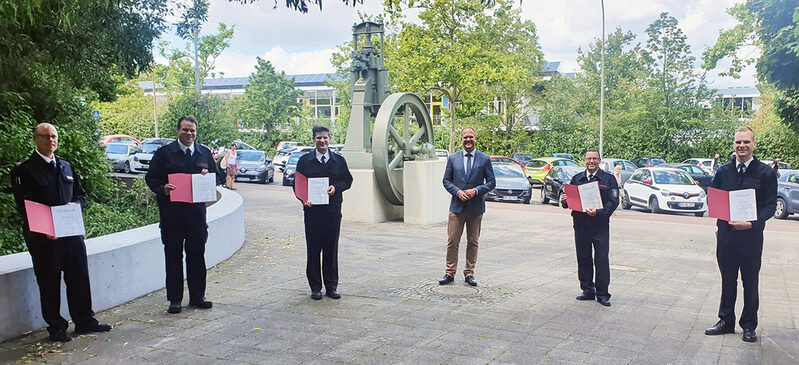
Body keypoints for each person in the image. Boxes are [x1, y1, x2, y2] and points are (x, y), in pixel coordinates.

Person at [11, 123, 111, 342]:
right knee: (49, 281)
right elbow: (24, 205)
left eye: (54, 136)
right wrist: (45, 228)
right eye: (45, 136)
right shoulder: (24, 170)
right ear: (36, 139)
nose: (51, 140)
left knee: (79, 278)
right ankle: (56, 326)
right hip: (44, 238)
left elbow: (81, 195)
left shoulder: (66, 166)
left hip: (70, 234)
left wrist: (75, 206)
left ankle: (84, 320)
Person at [704, 126, 777, 343]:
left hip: (750, 238)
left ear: (754, 144)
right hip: (726, 237)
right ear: (733, 145)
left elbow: (770, 206)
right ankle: (725, 320)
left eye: (746, 142)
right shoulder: (723, 171)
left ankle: (748, 325)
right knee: (728, 280)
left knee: (750, 282)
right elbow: (713, 199)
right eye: (738, 142)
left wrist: (752, 224)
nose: (741, 146)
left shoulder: (765, 173)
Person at [146, 116, 218, 314]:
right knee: (173, 257)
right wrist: (163, 189)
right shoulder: (165, 153)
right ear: (178, 131)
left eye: (192, 131)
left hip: (196, 216)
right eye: (185, 130)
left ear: (196, 132)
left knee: (197, 256)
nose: (189, 134)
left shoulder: (204, 153)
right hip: (172, 216)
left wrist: (207, 178)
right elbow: (151, 178)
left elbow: (217, 177)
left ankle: (197, 297)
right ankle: (175, 300)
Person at [294, 126, 353, 300]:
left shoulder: (339, 160)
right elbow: (297, 184)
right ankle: (315, 288)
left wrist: (336, 188)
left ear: (330, 139)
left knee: (331, 249)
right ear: (313, 140)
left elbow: (348, 181)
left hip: (332, 211)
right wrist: (303, 199)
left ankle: (331, 286)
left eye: (325, 138)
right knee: (313, 250)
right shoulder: (305, 160)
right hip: (312, 212)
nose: (322, 141)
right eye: (319, 138)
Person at [560, 149, 619, 307]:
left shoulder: (609, 178)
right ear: (584, 161)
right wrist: (564, 200)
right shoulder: (577, 178)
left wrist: (599, 213)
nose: (591, 161)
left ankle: (602, 294)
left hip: (599, 225)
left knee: (601, 259)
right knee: (583, 257)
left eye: (594, 158)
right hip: (581, 224)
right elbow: (567, 204)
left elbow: (613, 202)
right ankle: (587, 290)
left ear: (599, 160)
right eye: (588, 159)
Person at [439, 127, 496, 287]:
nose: (468, 140)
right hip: (456, 207)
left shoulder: (484, 159)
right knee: (452, 241)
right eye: (465, 138)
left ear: (476, 139)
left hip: (475, 208)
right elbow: (446, 180)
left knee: (473, 241)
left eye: (471, 137)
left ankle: (469, 273)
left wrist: (476, 190)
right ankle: (449, 273)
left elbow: (492, 182)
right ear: (461, 140)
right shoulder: (453, 158)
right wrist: (457, 192)